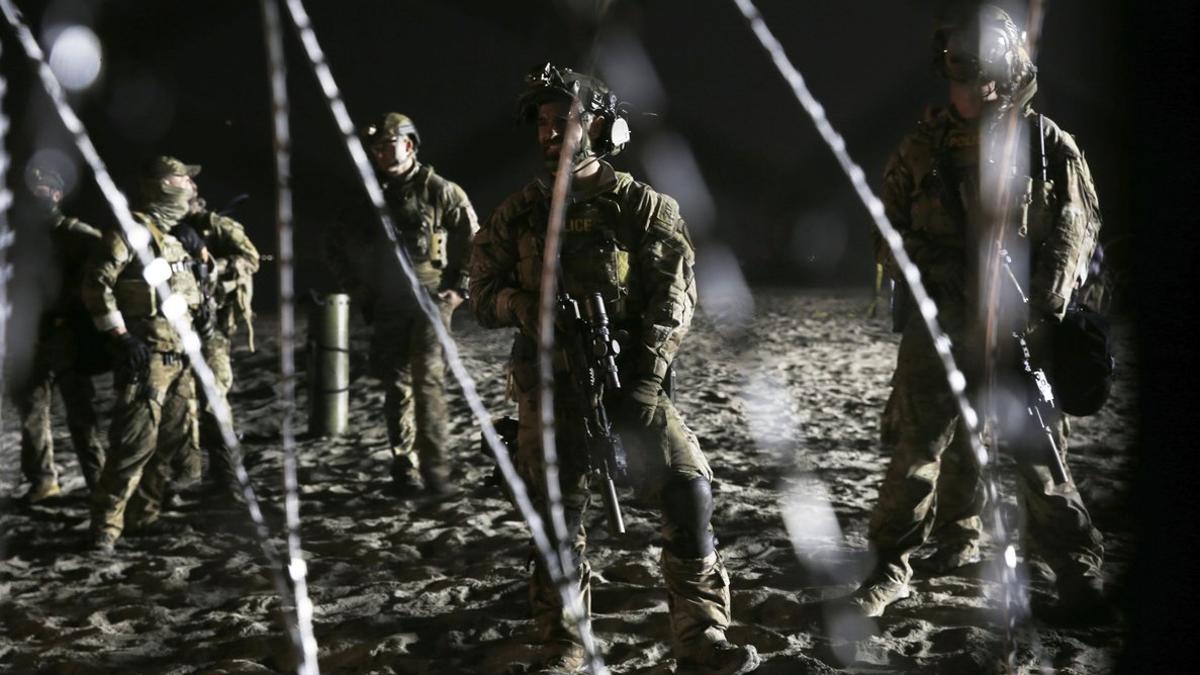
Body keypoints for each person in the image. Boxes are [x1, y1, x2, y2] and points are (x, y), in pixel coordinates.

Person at [469, 63, 760, 675]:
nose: (553, 134)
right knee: (555, 522)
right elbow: (480, 293)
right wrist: (520, 305)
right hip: (546, 391)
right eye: (545, 124)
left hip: (630, 383)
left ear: (601, 127)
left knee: (688, 491)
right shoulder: (519, 214)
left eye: (567, 121)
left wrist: (645, 386)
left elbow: (673, 301)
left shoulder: (642, 207)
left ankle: (701, 634)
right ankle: (565, 644)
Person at [852, 4, 1106, 618]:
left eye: (986, 68)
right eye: (960, 67)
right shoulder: (919, 149)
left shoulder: (1046, 147)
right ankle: (890, 567)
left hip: (1023, 328)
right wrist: (933, 278)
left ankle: (1076, 566)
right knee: (916, 453)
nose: (973, 83)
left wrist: (1036, 307)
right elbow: (888, 229)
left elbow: (1076, 234)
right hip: (939, 325)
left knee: (1039, 458)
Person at [325, 112, 478, 496]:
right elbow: (335, 246)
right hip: (388, 304)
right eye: (375, 148)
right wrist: (360, 291)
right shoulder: (367, 198)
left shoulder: (441, 191)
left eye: (387, 144)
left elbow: (476, 242)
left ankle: (436, 471)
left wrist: (459, 290)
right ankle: (404, 466)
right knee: (396, 387)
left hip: (431, 301)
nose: (380, 153)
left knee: (427, 384)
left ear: (409, 145)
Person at [81, 156, 210, 552]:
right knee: (133, 444)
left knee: (170, 444)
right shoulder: (131, 232)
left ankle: (144, 516)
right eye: (181, 177)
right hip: (148, 356)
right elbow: (97, 283)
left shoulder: (177, 237)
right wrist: (120, 335)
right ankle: (105, 527)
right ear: (159, 184)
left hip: (181, 356)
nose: (189, 183)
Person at [13, 165, 106, 502]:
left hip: (66, 335)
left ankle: (99, 483)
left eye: (47, 189)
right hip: (26, 337)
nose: (40, 194)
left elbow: (105, 271)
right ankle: (43, 481)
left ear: (57, 195)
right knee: (32, 414)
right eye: (34, 189)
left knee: (81, 414)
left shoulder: (77, 234)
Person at [170, 184, 261, 499]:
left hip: (215, 325)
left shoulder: (219, 227)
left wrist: (213, 268)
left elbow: (251, 258)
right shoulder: (166, 228)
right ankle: (189, 473)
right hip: (179, 324)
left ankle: (230, 480)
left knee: (213, 397)